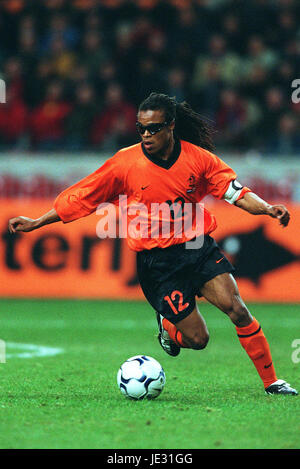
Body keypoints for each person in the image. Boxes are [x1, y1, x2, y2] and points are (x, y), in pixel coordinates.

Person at [8, 92, 297, 396]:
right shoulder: (125, 162)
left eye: (154, 128)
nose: (146, 135)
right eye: (141, 128)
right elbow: (83, 197)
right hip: (158, 264)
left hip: (197, 248)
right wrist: (38, 221)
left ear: (171, 126)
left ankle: (273, 383)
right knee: (199, 340)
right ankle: (168, 327)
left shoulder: (199, 159)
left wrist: (266, 207)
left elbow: (237, 192)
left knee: (237, 309)